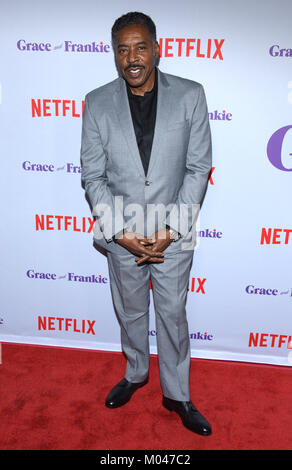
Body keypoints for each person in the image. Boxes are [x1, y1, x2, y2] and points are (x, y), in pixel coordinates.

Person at [80, 11, 212, 436]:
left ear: (157, 47)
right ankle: (136, 373)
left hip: (172, 234)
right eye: (122, 49)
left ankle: (177, 394)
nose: (131, 57)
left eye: (140, 47)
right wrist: (121, 232)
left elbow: (197, 168)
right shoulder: (96, 102)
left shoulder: (191, 95)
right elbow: (93, 176)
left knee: (172, 315)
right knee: (131, 312)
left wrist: (171, 230)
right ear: (114, 54)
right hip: (123, 234)